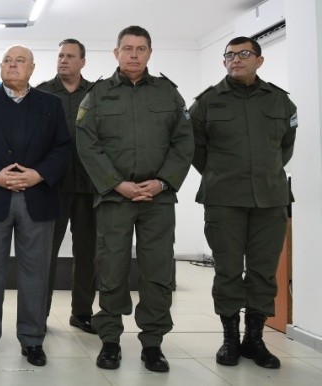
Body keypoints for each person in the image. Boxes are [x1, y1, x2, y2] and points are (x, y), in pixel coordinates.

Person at [75, 25, 194, 373]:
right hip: (116, 198)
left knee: (157, 270)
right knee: (111, 268)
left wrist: (162, 182)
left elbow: (183, 142)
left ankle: (153, 343)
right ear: (116, 53)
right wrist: (115, 184)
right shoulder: (97, 95)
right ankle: (110, 340)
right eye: (127, 48)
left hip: (158, 199)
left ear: (149, 54)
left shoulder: (168, 95)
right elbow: (87, 143)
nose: (133, 54)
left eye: (141, 49)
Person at [0, 46, 72, 367]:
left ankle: (33, 339)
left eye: (19, 60)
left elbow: (63, 146)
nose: (12, 65)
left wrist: (39, 175)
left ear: (32, 69)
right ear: (0, 67)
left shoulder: (51, 103)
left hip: (37, 197)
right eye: (7, 60)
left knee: (35, 273)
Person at [189, 36, 296, 369]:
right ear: (224, 62)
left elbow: (285, 148)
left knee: (264, 273)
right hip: (224, 200)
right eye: (230, 55)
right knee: (228, 271)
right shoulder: (206, 103)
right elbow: (195, 150)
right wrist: (224, 175)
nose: (236, 59)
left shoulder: (282, 103)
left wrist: (263, 174)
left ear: (259, 61)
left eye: (244, 54)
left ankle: (255, 339)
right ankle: (230, 340)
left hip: (270, 200)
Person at [36, 38, 98, 334]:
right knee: (44, 254)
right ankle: (39, 314)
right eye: (60, 55)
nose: (63, 60)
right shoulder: (42, 93)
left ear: (82, 62)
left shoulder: (98, 94)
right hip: (52, 187)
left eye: (70, 56)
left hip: (90, 186)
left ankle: (82, 313)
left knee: (87, 254)